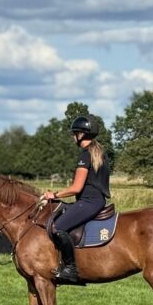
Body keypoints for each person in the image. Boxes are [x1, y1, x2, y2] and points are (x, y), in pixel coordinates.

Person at [42, 114, 111, 285]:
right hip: (96, 200)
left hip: (89, 201)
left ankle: (70, 269)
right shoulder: (99, 153)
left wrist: (54, 195)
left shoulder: (85, 156)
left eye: (75, 134)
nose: (74, 137)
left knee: (58, 227)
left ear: (81, 135)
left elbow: (76, 188)